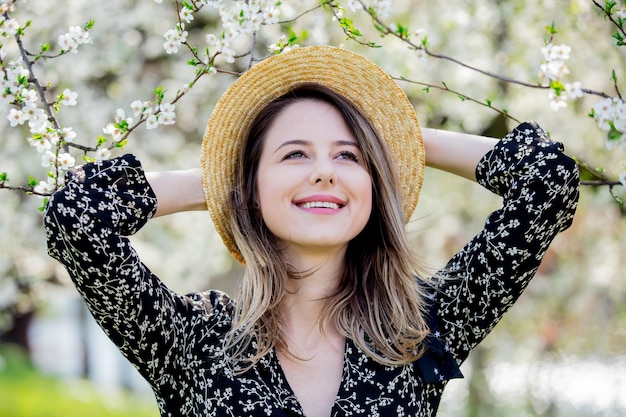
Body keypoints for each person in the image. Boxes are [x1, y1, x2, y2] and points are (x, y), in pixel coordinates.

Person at [43, 45, 580, 417]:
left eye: (348, 156)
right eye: (295, 153)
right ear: (251, 187)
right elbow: (78, 219)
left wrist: (402, 141)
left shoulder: (422, 329)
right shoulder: (192, 342)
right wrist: (225, 180)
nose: (324, 171)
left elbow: (547, 184)